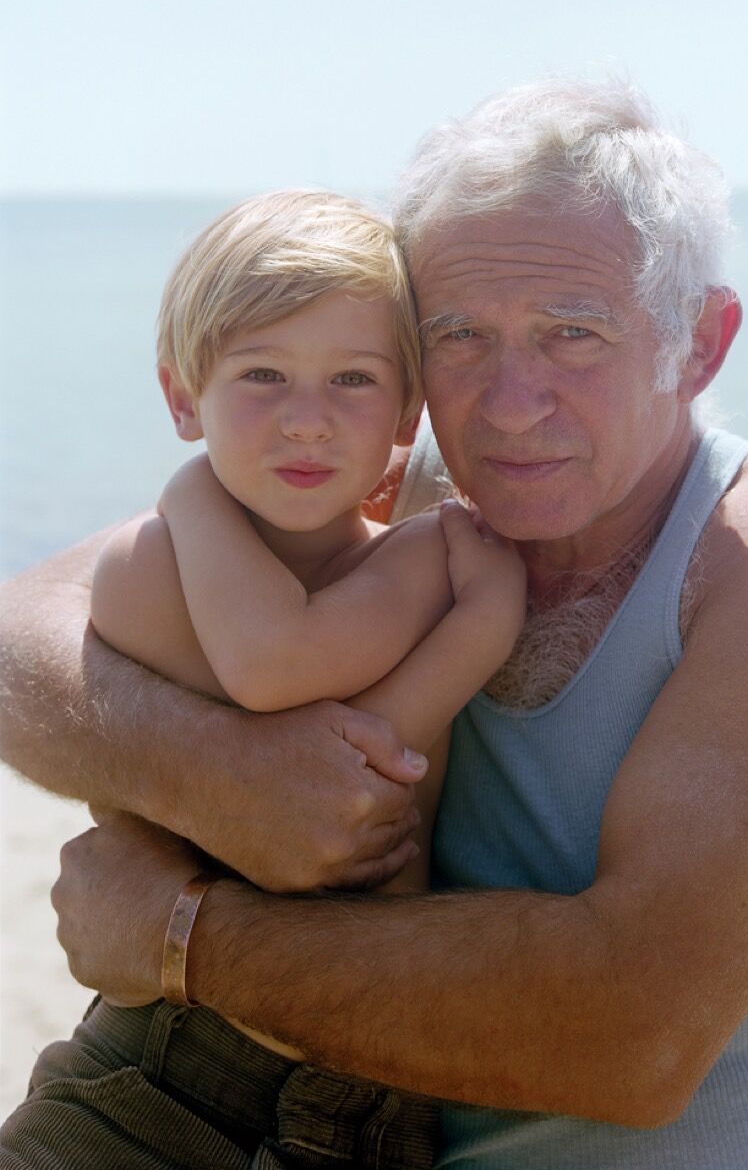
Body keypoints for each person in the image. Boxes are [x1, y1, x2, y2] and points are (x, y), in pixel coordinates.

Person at [0, 79, 748, 1170]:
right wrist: (215, 772)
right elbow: (31, 628)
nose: (506, 401)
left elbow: (630, 1038)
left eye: (571, 334)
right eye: (458, 336)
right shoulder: (414, 483)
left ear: (700, 344)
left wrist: (182, 936)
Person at [0, 187, 525, 1169]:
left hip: (369, 1087)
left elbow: (352, 773)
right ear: (181, 399)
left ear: (407, 409)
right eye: (263, 375)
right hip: (160, 1066)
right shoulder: (147, 563)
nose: (308, 422)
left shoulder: (408, 558)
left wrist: (467, 621)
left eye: (353, 381)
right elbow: (281, 678)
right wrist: (484, 620)